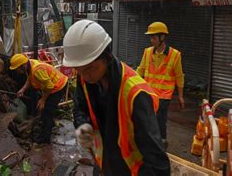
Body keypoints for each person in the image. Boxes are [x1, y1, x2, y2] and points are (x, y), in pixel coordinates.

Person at [63, 20, 170, 175]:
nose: (85, 75)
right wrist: (82, 124)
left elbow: (155, 155)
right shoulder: (85, 79)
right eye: (79, 70)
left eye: (90, 68)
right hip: (104, 162)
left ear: (106, 56)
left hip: (131, 169)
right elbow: (80, 107)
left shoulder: (136, 94)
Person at [136, 21, 185, 148]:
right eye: (150, 37)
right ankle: (150, 142)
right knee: (146, 118)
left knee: (159, 120)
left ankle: (161, 143)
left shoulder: (175, 55)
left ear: (162, 37)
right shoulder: (147, 52)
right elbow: (140, 70)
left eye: (153, 37)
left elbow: (179, 76)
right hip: (149, 93)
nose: (151, 40)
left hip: (164, 95)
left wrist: (180, 96)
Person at [9, 53, 67, 144]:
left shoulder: (37, 70)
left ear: (23, 66)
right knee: (46, 110)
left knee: (47, 111)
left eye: (17, 69)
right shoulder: (30, 65)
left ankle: (45, 138)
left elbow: (49, 86)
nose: (17, 72)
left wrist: (43, 99)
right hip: (52, 87)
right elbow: (30, 79)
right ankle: (49, 126)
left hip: (58, 86)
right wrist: (23, 89)